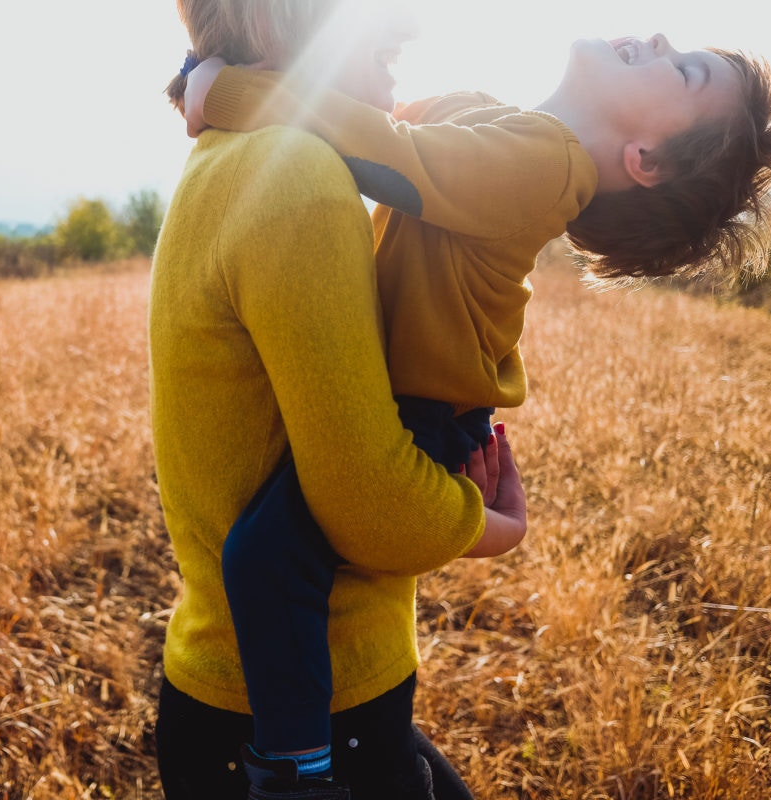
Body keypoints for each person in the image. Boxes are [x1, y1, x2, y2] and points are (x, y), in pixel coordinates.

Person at [177, 20, 771, 800]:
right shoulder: (502, 126)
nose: (657, 36)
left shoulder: (547, 166)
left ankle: (296, 770)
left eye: (685, 73)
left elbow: (381, 151)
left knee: (268, 560)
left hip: (424, 411)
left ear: (643, 160)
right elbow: (377, 115)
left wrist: (221, 88)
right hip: (430, 399)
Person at [150, 2, 527, 799]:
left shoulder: (235, 155)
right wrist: (491, 530)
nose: (410, 27)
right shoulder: (297, 177)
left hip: (241, 687)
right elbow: (368, 501)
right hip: (305, 712)